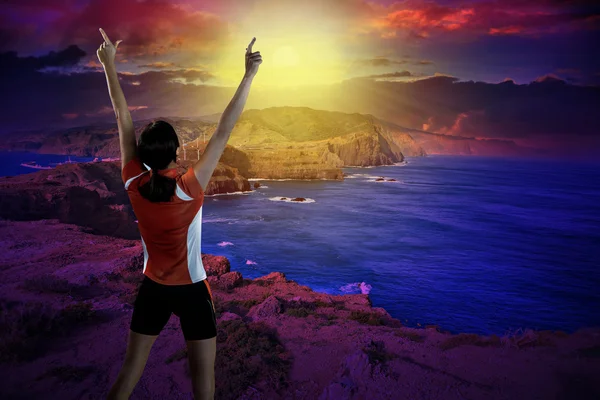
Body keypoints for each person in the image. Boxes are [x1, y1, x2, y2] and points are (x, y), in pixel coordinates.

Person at [96, 27, 262, 400]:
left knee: (126, 378)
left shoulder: (133, 183)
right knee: (204, 389)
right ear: (176, 152)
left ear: (143, 155)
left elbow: (121, 114)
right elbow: (224, 129)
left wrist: (109, 64)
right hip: (191, 294)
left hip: (152, 289)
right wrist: (248, 74)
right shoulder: (188, 187)